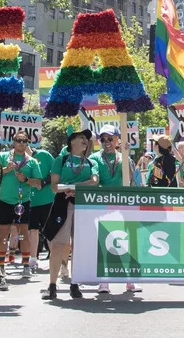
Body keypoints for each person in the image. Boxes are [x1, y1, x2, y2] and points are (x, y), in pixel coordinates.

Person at [43, 128, 99, 300]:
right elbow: (54, 185)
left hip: (84, 205)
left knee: (79, 247)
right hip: (62, 204)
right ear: (71, 141)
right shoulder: (60, 160)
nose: (85, 141)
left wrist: (75, 187)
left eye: (87, 139)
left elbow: (95, 182)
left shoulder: (91, 163)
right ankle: (52, 285)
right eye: (81, 137)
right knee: (59, 245)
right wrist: (68, 188)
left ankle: (75, 284)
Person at [90, 124, 140, 294]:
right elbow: (94, 179)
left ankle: (130, 279)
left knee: (128, 241)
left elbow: (132, 178)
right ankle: (104, 280)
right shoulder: (95, 157)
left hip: (124, 205)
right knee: (105, 242)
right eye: (103, 139)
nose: (106, 142)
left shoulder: (124, 156)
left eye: (110, 138)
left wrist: (126, 156)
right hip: (104, 206)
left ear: (118, 139)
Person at [0, 133, 40, 288]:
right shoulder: (2, 157)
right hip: (4, 200)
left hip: (23, 201)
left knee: (23, 234)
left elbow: (39, 183)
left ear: (28, 143)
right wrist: (6, 170)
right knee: (3, 234)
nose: (21, 143)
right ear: (13, 142)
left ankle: (26, 266)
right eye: (18, 141)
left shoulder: (32, 162)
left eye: (24, 141)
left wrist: (27, 180)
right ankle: (0, 267)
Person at [26, 139, 56, 274]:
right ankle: (33, 260)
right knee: (32, 230)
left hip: (47, 199)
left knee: (49, 230)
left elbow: (55, 172)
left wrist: (43, 182)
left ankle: (56, 259)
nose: (21, 146)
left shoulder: (44, 155)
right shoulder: (19, 161)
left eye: (23, 142)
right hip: (30, 200)